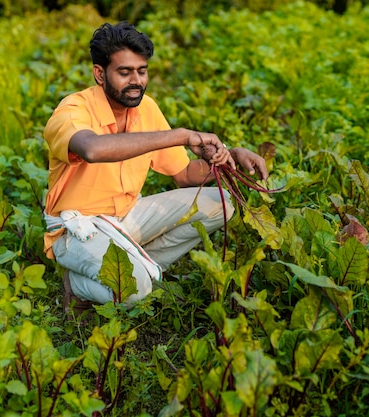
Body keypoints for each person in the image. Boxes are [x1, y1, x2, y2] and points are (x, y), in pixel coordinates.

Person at [43, 21, 268, 309]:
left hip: (126, 218)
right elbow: (92, 149)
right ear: (100, 74)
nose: (136, 80)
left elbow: (186, 175)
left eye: (142, 70)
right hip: (78, 230)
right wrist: (180, 135)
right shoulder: (73, 110)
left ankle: (137, 265)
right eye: (124, 72)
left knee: (218, 203)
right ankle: (76, 285)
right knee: (133, 291)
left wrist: (231, 155)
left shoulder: (145, 108)